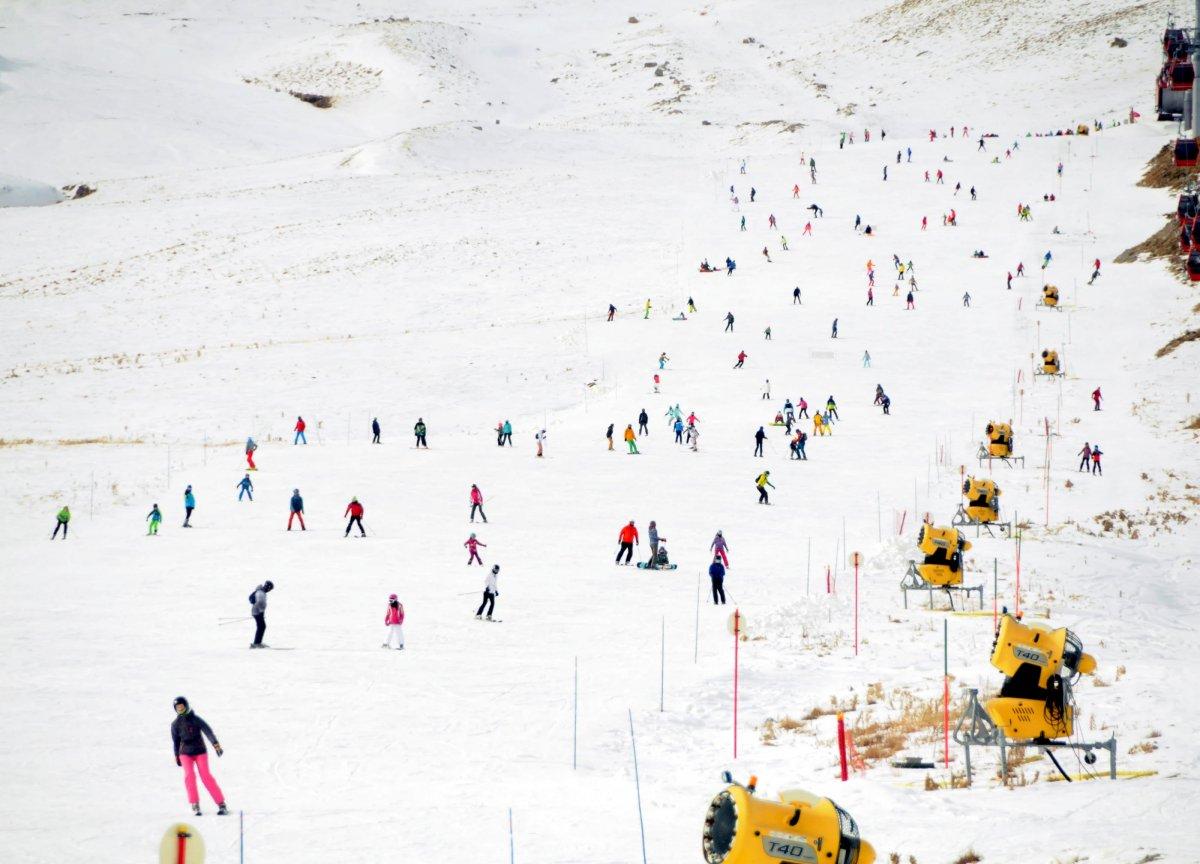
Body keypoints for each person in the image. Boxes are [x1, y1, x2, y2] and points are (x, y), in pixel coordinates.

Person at [170, 697, 227, 816]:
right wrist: (176, 755)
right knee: (189, 776)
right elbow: (176, 741)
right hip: (185, 753)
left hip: (200, 751)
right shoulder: (175, 724)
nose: (180, 709)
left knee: (206, 776)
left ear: (186, 706)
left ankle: (221, 803)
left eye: (182, 706)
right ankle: (195, 803)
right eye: (177, 708)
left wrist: (216, 745)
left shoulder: (196, 719)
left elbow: (208, 731)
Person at [249, 580, 273, 648]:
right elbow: (259, 602)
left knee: (261, 626)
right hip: (257, 612)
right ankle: (256, 643)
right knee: (261, 627)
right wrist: (260, 611)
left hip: (257, 612)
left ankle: (258, 642)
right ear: (267, 587)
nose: (269, 590)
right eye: (270, 588)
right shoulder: (260, 592)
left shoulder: (261, 592)